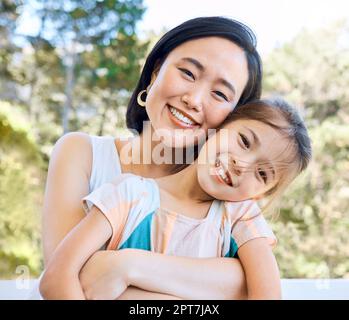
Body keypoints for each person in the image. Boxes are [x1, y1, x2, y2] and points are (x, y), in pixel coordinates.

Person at [40, 16, 263, 300]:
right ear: (156, 72)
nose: (193, 100)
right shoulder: (81, 153)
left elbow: (252, 285)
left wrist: (127, 266)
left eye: (219, 93)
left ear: (233, 119)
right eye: (188, 73)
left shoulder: (228, 195)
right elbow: (71, 282)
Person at [39, 98, 312, 300]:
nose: (242, 164)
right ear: (219, 128)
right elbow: (57, 278)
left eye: (263, 173)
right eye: (243, 141)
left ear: (262, 193)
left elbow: (267, 294)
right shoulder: (129, 194)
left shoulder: (241, 218)